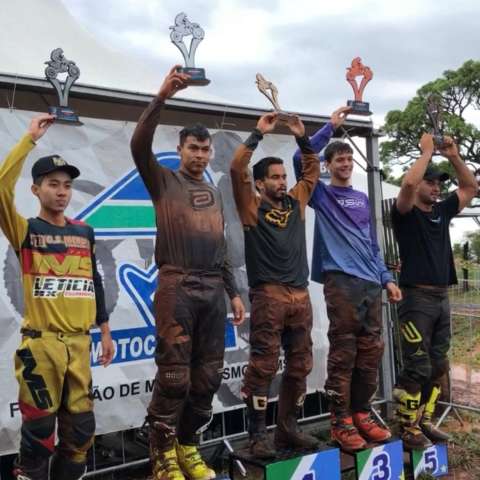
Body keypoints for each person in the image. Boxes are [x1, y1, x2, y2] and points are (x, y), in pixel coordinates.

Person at [130, 66, 245, 480]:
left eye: (205, 149)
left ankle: (187, 447)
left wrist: (233, 292)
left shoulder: (214, 193)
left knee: (208, 377)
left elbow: (222, 248)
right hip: (177, 286)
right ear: (180, 150)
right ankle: (161, 456)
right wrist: (161, 97)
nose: (200, 155)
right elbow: (139, 143)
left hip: (213, 290)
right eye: (193, 148)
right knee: (175, 376)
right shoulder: (161, 180)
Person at [0, 114, 114, 480]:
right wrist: (28, 141)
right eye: (53, 184)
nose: (62, 192)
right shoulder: (26, 231)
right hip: (42, 346)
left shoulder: (85, 232)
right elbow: (1, 187)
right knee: (38, 436)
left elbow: (94, 280)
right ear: (36, 189)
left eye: (66, 185)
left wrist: (106, 328)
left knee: (80, 433)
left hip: (80, 345)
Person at [292, 108, 402, 452]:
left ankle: (362, 413)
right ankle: (340, 422)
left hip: (371, 282)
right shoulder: (321, 195)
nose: (345, 163)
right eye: (338, 159)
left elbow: (372, 244)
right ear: (327, 165)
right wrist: (330, 127)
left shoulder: (364, 199)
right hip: (341, 281)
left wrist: (386, 278)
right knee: (344, 352)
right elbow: (300, 157)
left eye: (348, 158)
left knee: (371, 353)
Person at [230, 111, 320, 458]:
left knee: (301, 365)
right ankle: (256, 437)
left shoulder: (296, 202)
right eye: (275, 177)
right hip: (269, 294)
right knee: (263, 366)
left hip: (300, 296)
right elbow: (237, 169)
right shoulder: (251, 206)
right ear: (260, 183)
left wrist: (301, 137)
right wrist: (257, 134)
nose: (282, 182)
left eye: (284, 176)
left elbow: (311, 172)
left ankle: (289, 431)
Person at [391, 134, 477, 449]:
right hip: (416, 299)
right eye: (430, 182)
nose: (436, 187)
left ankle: (425, 420)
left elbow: (469, 188)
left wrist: (453, 156)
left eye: (438, 183)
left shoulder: (442, 212)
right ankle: (407, 428)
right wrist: (426, 152)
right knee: (417, 365)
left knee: (438, 365)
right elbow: (407, 187)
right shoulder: (404, 212)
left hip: (442, 298)